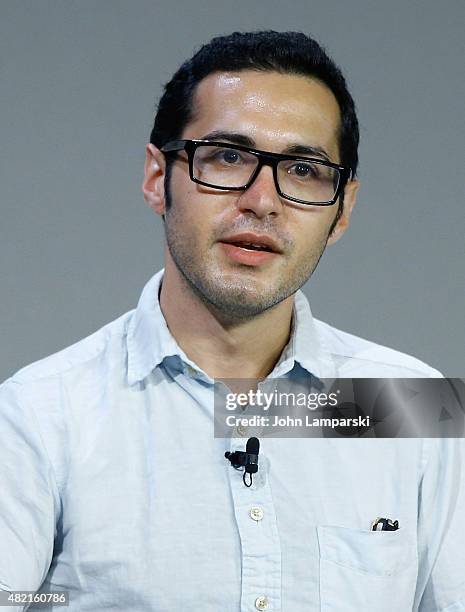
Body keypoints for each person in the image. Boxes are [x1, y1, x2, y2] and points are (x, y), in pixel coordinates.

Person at [0, 30, 463, 612]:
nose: (262, 201)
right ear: (156, 178)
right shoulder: (40, 417)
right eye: (227, 157)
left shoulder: (409, 405)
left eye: (302, 169)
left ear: (342, 210)